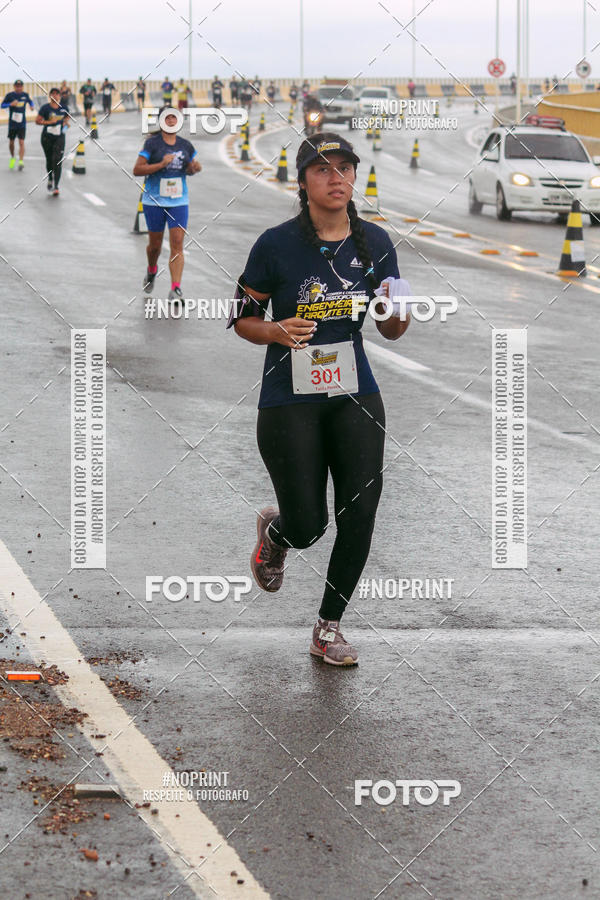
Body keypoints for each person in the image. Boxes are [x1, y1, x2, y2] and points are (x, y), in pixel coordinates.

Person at [226, 132, 410, 666]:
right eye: (323, 169)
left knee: (361, 511)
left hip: (355, 392)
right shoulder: (276, 244)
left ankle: (329, 628)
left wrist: (396, 311)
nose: (337, 178)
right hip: (289, 398)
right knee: (309, 526)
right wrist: (276, 330)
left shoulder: (375, 242)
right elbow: (241, 318)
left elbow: (392, 328)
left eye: (345, 168)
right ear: (303, 181)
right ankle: (277, 533)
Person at [133, 109, 201, 302]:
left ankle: (175, 288)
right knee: (155, 246)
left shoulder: (185, 145)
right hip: (154, 201)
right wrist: (161, 164)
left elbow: (190, 168)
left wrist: (194, 168)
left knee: (177, 243)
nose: (171, 120)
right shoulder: (152, 144)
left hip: (179, 202)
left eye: (174, 117)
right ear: (161, 120)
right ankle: (152, 270)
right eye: (168, 117)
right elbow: (137, 170)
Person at [36, 87, 70, 196]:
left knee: (58, 161)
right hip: (47, 137)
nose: (55, 95)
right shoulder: (45, 108)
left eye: (57, 94)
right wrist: (49, 122)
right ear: (50, 96)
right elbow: (37, 121)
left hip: (59, 137)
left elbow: (67, 117)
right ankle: (50, 178)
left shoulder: (64, 108)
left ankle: (56, 186)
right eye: (53, 93)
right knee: (50, 160)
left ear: (60, 96)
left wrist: (65, 123)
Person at [2, 79, 34, 171]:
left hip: (22, 124)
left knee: (21, 142)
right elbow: (2, 105)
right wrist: (10, 104)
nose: (19, 88)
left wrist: (31, 106)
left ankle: (21, 161)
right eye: (17, 86)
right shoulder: (10, 95)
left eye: (20, 86)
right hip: (12, 124)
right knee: (11, 143)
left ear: (22, 87)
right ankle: (12, 157)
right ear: (14, 86)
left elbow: (30, 101)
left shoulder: (25, 95)